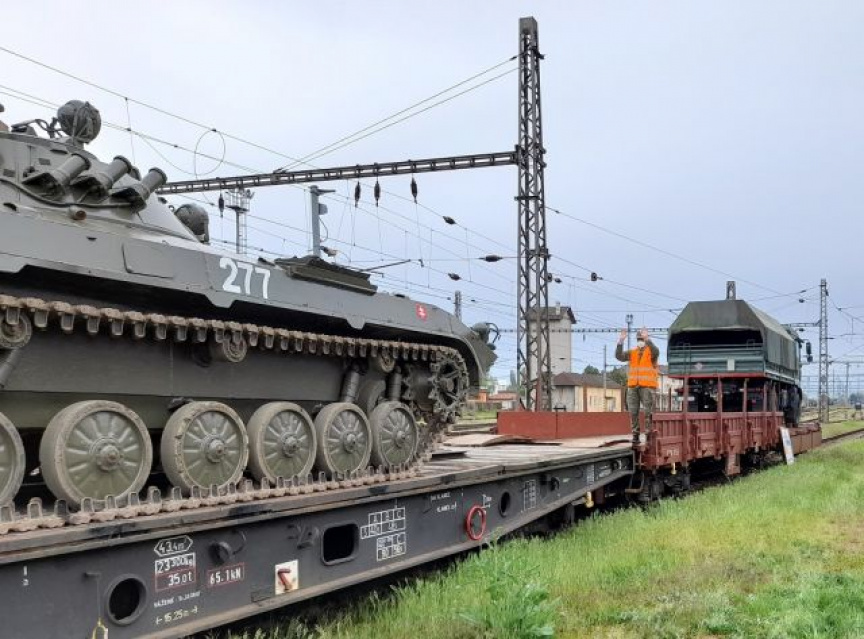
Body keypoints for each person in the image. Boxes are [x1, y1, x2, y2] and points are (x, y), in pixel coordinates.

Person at [616, 328, 660, 445]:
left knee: (648, 412)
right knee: (633, 412)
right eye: (639, 339)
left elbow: (656, 351)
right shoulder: (632, 352)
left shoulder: (651, 353)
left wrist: (647, 339)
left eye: (642, 339)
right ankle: (635, 435)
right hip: (633, 386)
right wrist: (621, 341)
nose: (640, 341)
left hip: (647, 387)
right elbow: (619, 356)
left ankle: (648, 435)